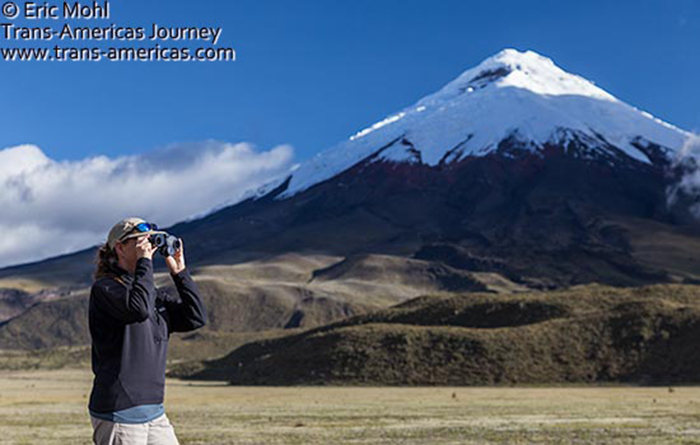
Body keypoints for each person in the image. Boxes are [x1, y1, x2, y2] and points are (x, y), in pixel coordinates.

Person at [88, 217, 207, 445]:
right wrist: (145, 262)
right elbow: (138, 310)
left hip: (154, 412)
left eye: (151, 241)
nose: (149, 246)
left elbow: (195, 317)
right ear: (120, 248)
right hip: (120, 411)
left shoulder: (151, 293)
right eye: (141, 241)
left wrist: (180, 273)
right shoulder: (105, 289)